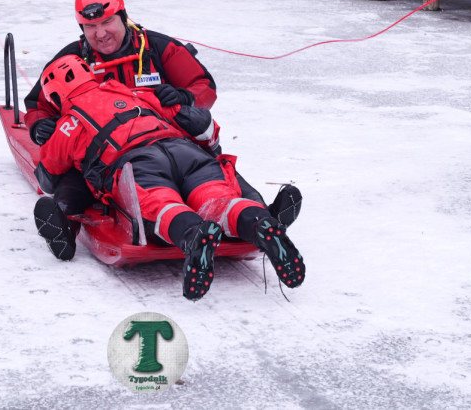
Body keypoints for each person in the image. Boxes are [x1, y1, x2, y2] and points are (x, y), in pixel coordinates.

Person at [24, 0, 300, 230]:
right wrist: (39, 126)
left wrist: (184, 98)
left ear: (123, 17)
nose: (100, 33)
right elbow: (38, 103)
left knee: (214, 168)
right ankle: (63, 225)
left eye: (107, 22)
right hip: (106, 150)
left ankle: (265, 218)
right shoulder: (71, 60)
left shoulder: (156, 47)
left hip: (166, 138)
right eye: (91, 27)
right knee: (76, 180)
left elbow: (204, 86)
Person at [32, 54, 306, 300]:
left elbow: (48, 177)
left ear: (55, 97)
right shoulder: (135, 93)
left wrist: (49, 136)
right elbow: (193, 119)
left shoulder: (69, 123)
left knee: (160, 205)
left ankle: (192, 234)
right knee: (219, 200)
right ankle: (259, 224)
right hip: (185, 150)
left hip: (138, 162)